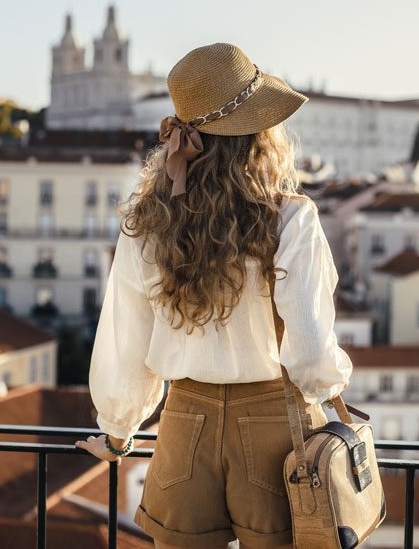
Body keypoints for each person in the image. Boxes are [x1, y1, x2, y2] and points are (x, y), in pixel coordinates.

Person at [77, 42, 353, 548]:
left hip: (184, 424)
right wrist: (332, 393)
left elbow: (126, 339)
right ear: (261, 135)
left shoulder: (149, 223)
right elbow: (310, 348)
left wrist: (118, 431)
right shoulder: (292, 217)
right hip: (275, 426)